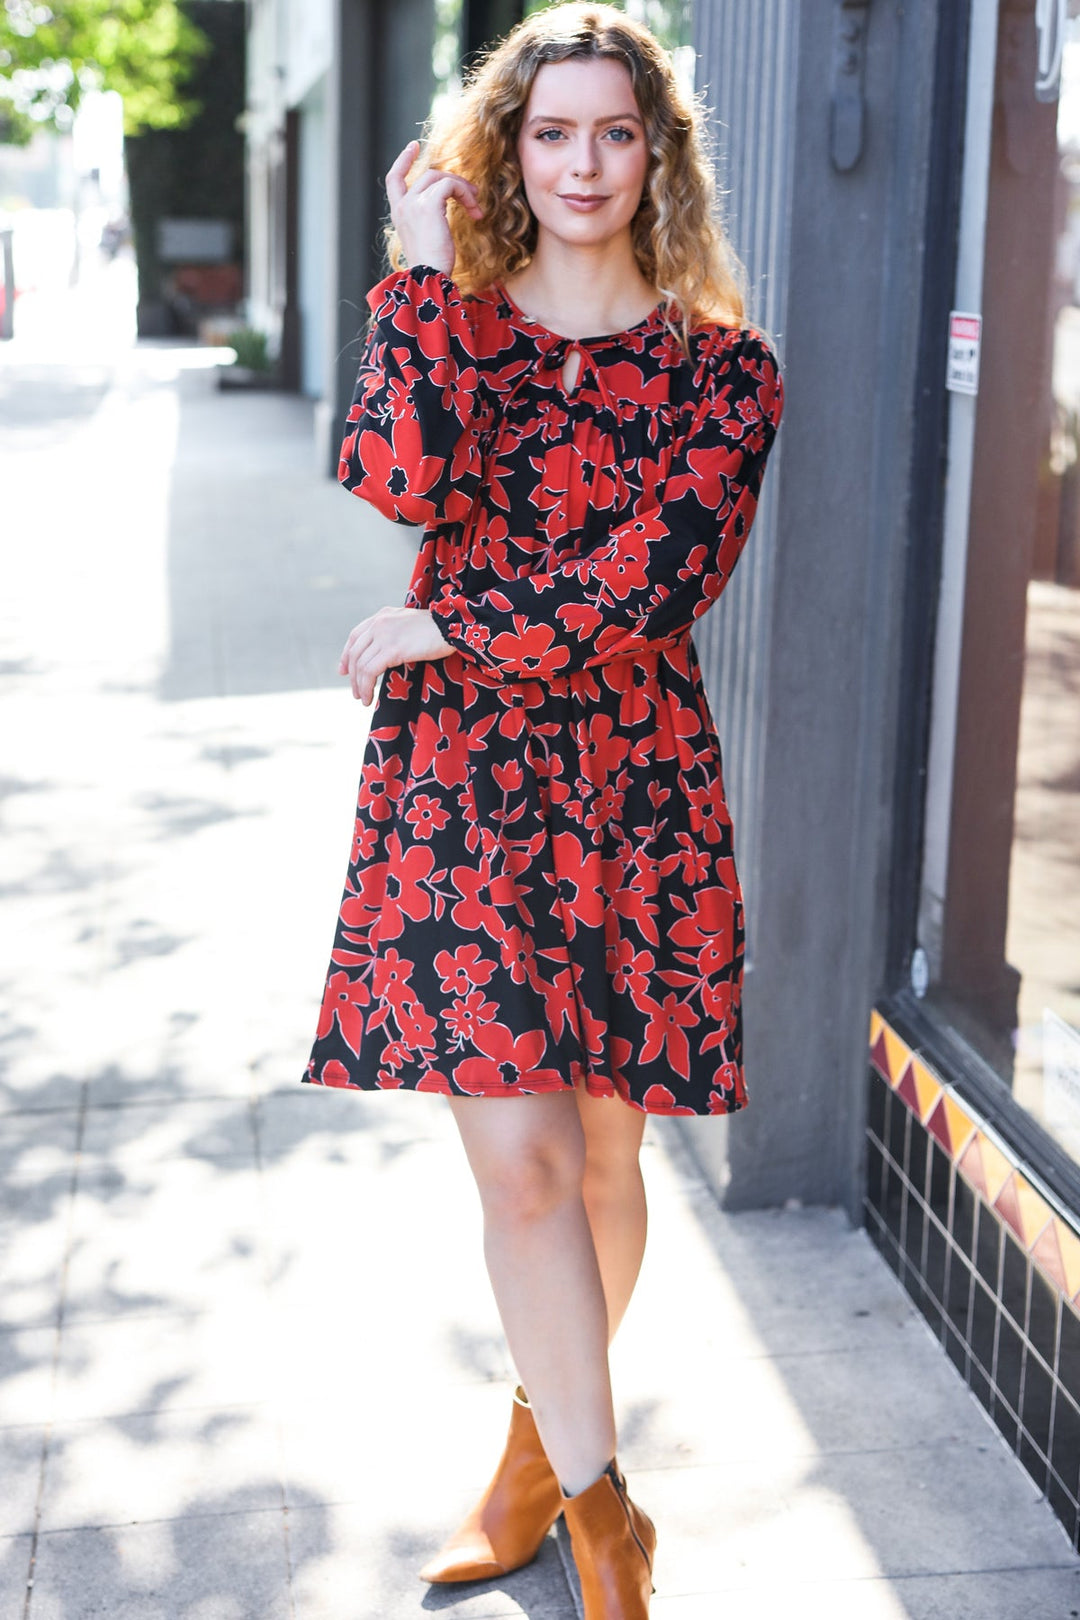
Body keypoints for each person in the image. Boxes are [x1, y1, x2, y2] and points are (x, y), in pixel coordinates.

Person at [302, 5, 784, 1613]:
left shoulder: (726, 376)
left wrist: (452, 626)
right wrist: (419, 272)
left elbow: (655, 587)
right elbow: (393, 475)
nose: (583, 163)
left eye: (615, 133)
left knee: (593, 1160)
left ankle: (530, 1447)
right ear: (507, 151)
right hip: (462, 799)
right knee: (513, 1166)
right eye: (551, 132)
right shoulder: (456, 321)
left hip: (633, 790)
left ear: (661, 157)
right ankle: (603, 1525)